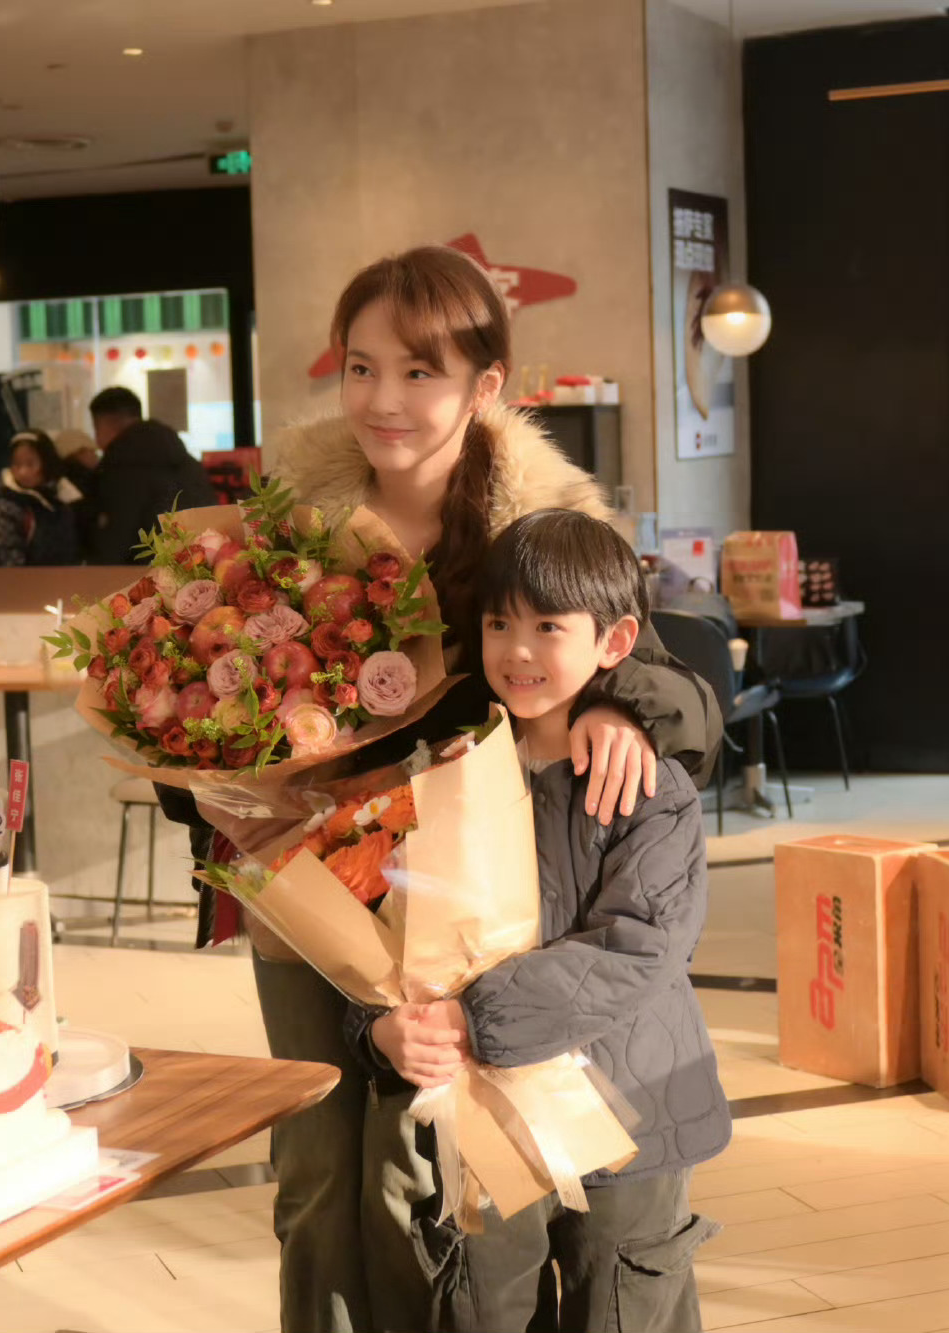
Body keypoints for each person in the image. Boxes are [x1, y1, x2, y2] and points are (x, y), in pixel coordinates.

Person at [202, 246, 720, 1333]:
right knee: (316, 1166)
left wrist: (623, 706)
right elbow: (206, 693)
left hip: (474, 906)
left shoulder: (541, 516)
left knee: (438, 1183)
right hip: (314, 893)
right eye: (360, 366)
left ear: (485, 385)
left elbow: (671, 676)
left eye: (419, 371)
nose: (383, 400)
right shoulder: (290, 526)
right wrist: (216, 791)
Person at [366, 508, 730, 1332]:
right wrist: (381, 1029)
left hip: (631, 1108)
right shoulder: (448, 772)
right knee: (488, 1300)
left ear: (615, 640)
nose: (518, 650)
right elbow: (391, 930)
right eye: (500, 623)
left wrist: (473, 1017)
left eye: (547, 626)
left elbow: (638, 947)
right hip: (488, 1110)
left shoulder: (649, 786)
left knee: (624, 1299)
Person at [84, 385, 217, 563]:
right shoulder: (187, 462)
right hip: (199, 567)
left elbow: (115, 542)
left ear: (105, 425)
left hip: (144, 574)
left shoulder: (119, 469)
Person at [0, 431, 83, 567]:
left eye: (30, 464)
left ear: (47, 464)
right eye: (17, 464)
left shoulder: (61, 500)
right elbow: (7, 562)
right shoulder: (4, 507)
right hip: (25, 580)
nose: (22, 472)